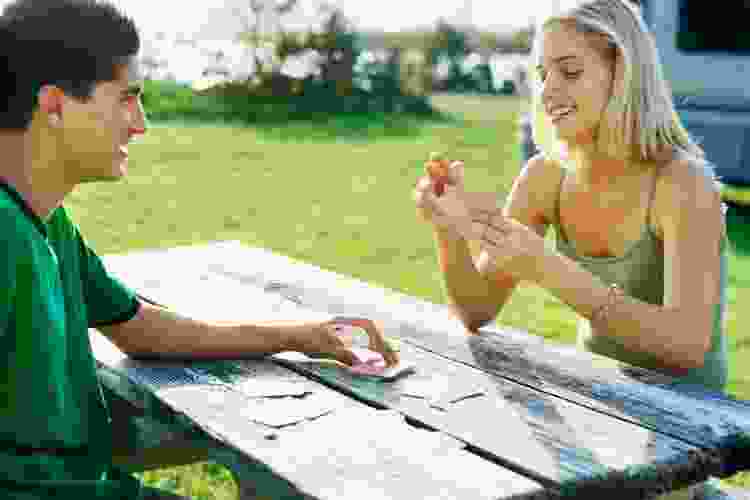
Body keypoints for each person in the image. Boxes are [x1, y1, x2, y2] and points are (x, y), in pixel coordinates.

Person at [0, 1, 398, 499]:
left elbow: (142, 328)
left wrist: (302, 335)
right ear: (55, 105)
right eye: (127, 98)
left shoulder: (47, 221)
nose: (139, 123)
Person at [415, 1, 728, 498]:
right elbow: (475, 310)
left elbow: (686, 345)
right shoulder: (545, 178)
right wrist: (449, 230)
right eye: (542, 73)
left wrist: (548, 269)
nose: (547, 91)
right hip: (606, 411)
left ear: (622, 74)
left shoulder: (682, 183)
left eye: (570, 71)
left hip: (688, 437)